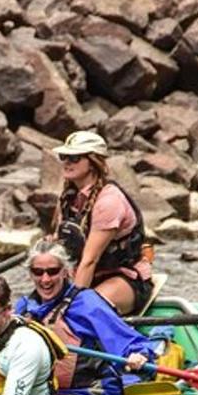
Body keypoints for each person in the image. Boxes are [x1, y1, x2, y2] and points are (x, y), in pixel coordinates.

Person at [14, 241, 155, 395]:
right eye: (38, 272)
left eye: (53, 271)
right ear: (30, 274)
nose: (45, 279)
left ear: (66, 272)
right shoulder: (24, 309)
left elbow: (132, 343)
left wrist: (139, 355)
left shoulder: (86, 304)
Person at [48, 130, 154, 315]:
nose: (66, 162)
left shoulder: (108, 201)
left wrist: (68, 305)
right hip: (85, 275)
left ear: (93, 161)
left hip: (124, 278)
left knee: (80, 313)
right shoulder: (67, 198)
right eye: (64, 156)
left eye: (75, 158)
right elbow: (60, 246)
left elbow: (89, 260)